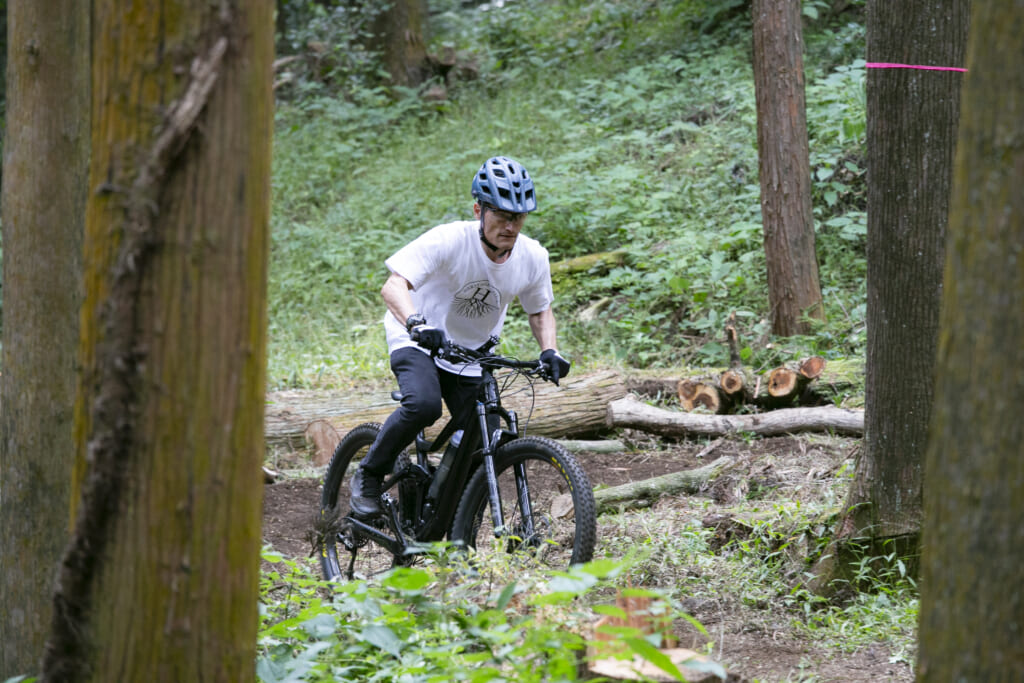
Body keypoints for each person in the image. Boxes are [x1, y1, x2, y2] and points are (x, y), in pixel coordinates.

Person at [349, 156, 571, 518]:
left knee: (485, 436)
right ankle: (369, 474)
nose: (510, 225)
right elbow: (393, 286)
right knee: (423, 405)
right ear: (478, 210)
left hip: (472, 355)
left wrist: (550, 350)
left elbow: (539, 308)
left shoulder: (533, 257)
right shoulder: (449, 239)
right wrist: (416, 323)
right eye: (500, 214)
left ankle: (454, 524)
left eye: (517, 216)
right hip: (418, 339)